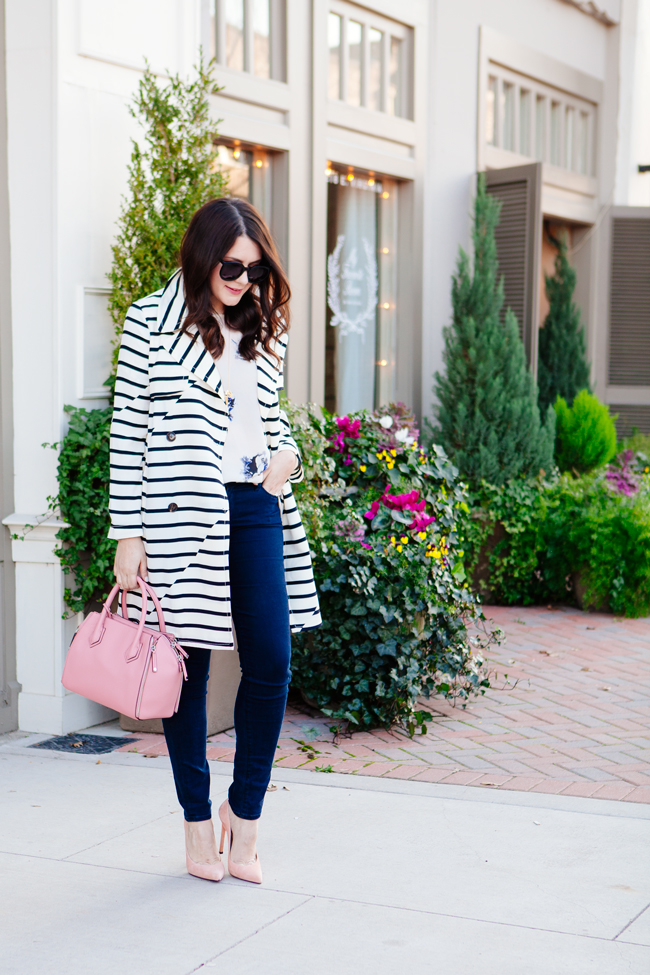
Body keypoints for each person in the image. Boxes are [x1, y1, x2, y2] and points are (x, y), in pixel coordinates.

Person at [109, 197, 321, 884]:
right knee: (185, 669)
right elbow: (127, 433)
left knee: (272, 658)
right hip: (180, 514)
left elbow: (269, 418)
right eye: (234, 267)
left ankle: (246, 815)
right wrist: (128, 533)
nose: (245, 281)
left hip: (256, 502)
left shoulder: (260, 325)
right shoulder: (151, 320)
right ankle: (197, 818)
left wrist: (287, 456)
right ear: (204, 255)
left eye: (256, 271)